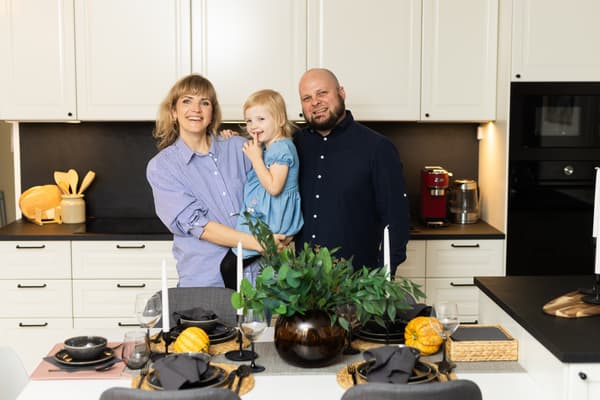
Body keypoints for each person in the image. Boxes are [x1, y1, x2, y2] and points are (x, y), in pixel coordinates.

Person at [146, 74, 284, 287]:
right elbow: (201, 227)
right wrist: (262, 243)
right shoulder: (163, 167)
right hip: (206, 282)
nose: (196, 109)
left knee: (256, 322)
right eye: (186, 101)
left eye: (204, 102)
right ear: (173, 112)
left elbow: (276, 186)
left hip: (259, 279)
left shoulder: (241, 148)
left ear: (212, 113)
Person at [294, 68, 410, 276]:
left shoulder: (377, 147)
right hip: (301, 283)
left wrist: (380, 279)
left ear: (342, 93)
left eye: (322, 93)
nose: (315, 102)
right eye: (307, 97)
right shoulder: (292, 146)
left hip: (356, 286)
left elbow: (396, 220)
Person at [220, 89, 304, 289]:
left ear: (280, 119)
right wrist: (232, 137)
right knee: (237, 267)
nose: (253, 126)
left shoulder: (281, 148)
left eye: (261, 118)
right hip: (268, 215)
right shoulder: (270, 145)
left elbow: (274, 187)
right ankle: (242, 305)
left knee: (229, 266)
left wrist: (256, 158)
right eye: (249, 121)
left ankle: (239, 308)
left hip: (274, 219)